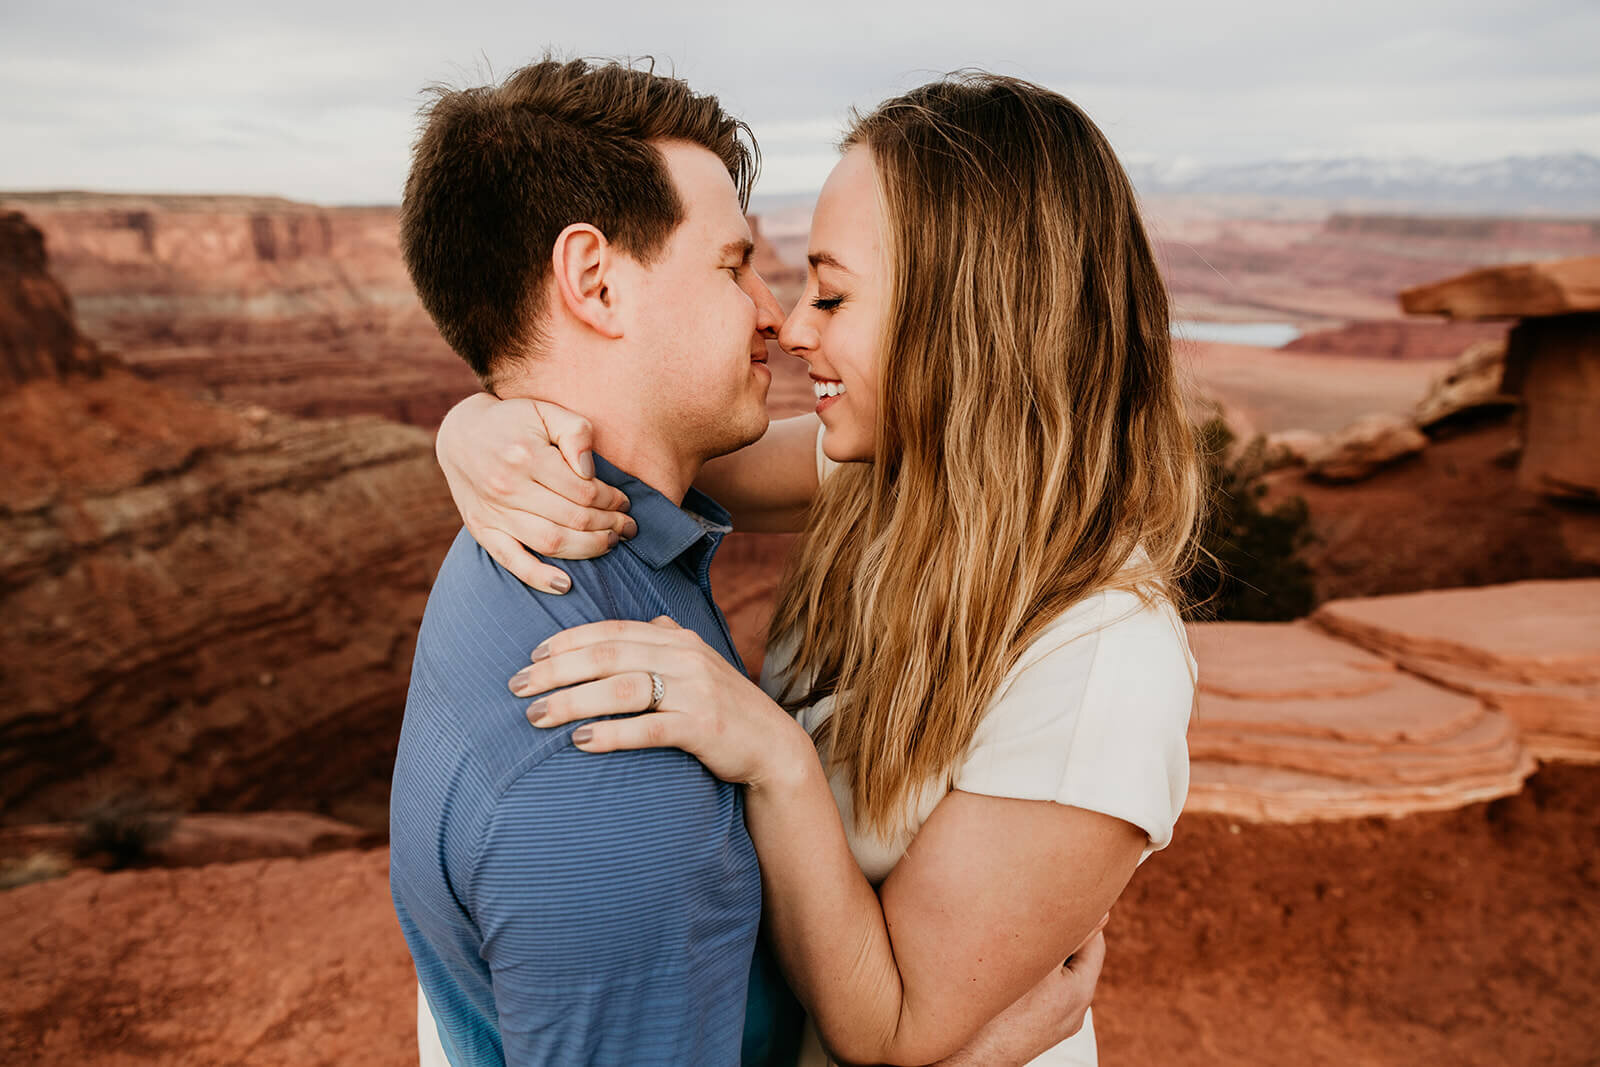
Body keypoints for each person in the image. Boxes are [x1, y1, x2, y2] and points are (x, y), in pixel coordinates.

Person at [434, 72, 1201, 1065]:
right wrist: (478, 425)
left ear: (970, 319)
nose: (794, 326)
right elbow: (650, 431)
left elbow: (890, 1025)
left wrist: (774, 756)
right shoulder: (891, 475)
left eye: (831, 293)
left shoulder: (1101, 664)